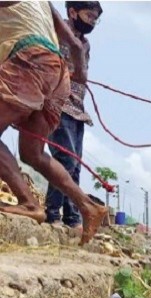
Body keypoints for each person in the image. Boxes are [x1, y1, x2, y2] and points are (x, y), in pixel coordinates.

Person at [0, 1, 107, 244]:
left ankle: (29, 203)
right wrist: (79, 75)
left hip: (29, 60)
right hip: (58, 76)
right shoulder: (44, 3)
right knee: (32, 153)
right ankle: (88, 207)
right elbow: (77, 48)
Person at [45, 1, 102, 232]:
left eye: (96, 18)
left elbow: (83, 73)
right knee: (64, 161)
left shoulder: (85, 44)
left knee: (75, 165)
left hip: (77, 109)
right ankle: (52, 214)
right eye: (89, 15)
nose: (92, 22)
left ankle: (72, 218)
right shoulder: (55, 31)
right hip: (57, 105)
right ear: (72, 12)